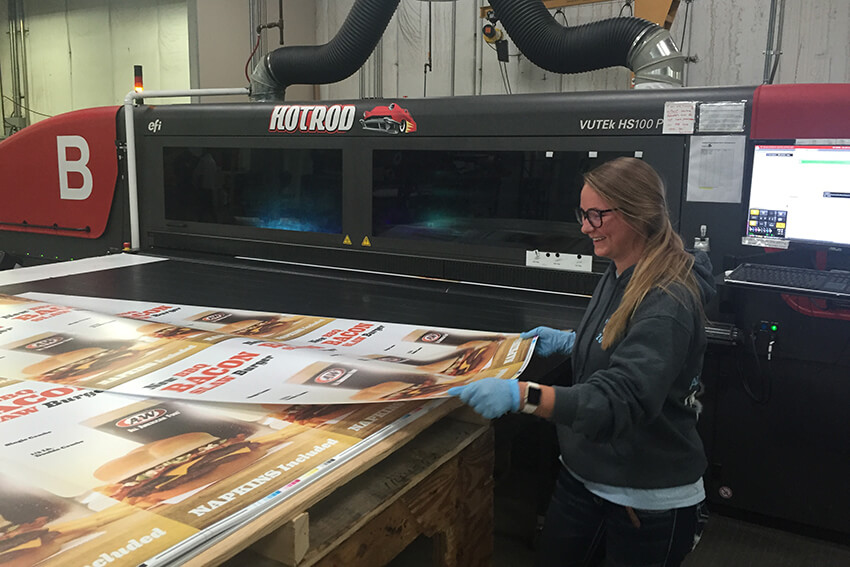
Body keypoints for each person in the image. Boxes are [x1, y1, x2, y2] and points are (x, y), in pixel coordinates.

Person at [449, 157, 714, 567]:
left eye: (596, 215)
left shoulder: (668, 298)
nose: (585, 227)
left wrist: (523, 395)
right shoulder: (622, 270)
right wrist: (578, 342)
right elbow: (626, 343)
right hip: (585, 478)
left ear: (637, 214)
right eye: (583, 213)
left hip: (643, 501)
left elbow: (618, 401)